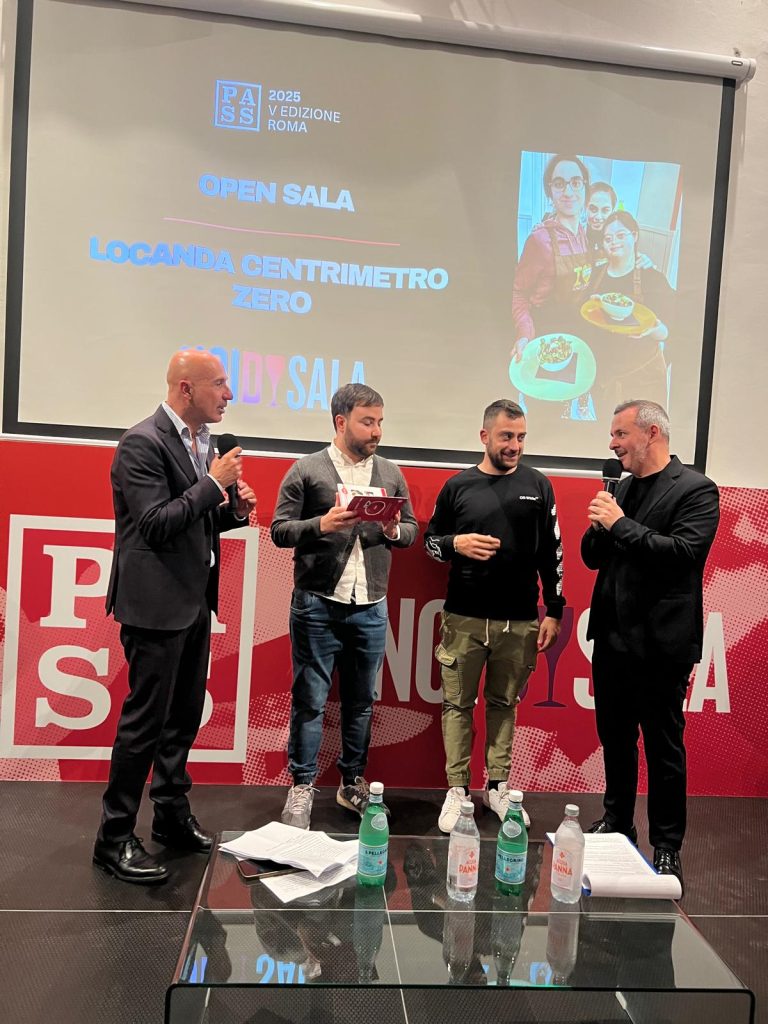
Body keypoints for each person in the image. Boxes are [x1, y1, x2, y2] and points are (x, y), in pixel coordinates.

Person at [93, 350, 256, 884]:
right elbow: (155, 523)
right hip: (155, 605)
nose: (229, 394)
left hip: (192, 601)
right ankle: (113, 838)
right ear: (187, 388)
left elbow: (194, 522)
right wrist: (212, 484)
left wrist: (232, 510)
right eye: (220, 384)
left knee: (183, 716)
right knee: (145, 723)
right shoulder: (141, 442)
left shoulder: (202, 443)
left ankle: (169, 814)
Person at [581, 400, 719, 892]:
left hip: (663, 644)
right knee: (615, 738)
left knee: (663, 747)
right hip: (612, 638)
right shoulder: (619, 488)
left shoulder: (696, 489)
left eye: (621, 434)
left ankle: (666, 844)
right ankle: (617, 820)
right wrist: (601, 525)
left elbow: (682, 554)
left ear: (652, 433)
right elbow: (592, 557)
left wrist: (619, 524)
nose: (613, 444)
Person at [271, 383, 418, 829]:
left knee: (361, 702)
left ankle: (352, 782)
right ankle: (301, 786)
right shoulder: (307, 470)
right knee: (310, 700)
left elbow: (411, 531)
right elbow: (279, 530)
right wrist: (322, 524)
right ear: (341, 422)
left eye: (380, 422)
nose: (377, 431)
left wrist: (393, 531)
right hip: (317, 603)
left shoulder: (390, 473)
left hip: (370, 605)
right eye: (367, 422)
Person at [424, 399, 565, 832]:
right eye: (506, 436)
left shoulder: (538, 485)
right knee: (457, 705)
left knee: (504, 705)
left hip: (519, 621)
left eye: (521, 437)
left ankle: (498, 787)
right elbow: (430, 542)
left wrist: (554, 610)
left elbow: (552, 552)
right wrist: (456, 544)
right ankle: (457, 790)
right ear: (484, 436)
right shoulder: (458, 486)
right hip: (463, 617)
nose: (515, 445)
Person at [512, 153, 593, 362]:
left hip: (577, 334)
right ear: (550, 192)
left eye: (576, 182)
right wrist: (524, 334)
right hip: (546, 336)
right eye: (559, 184)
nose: (568, 192)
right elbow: (519, 293)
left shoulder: (583, 234)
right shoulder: (540, 239)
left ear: (585, 188)